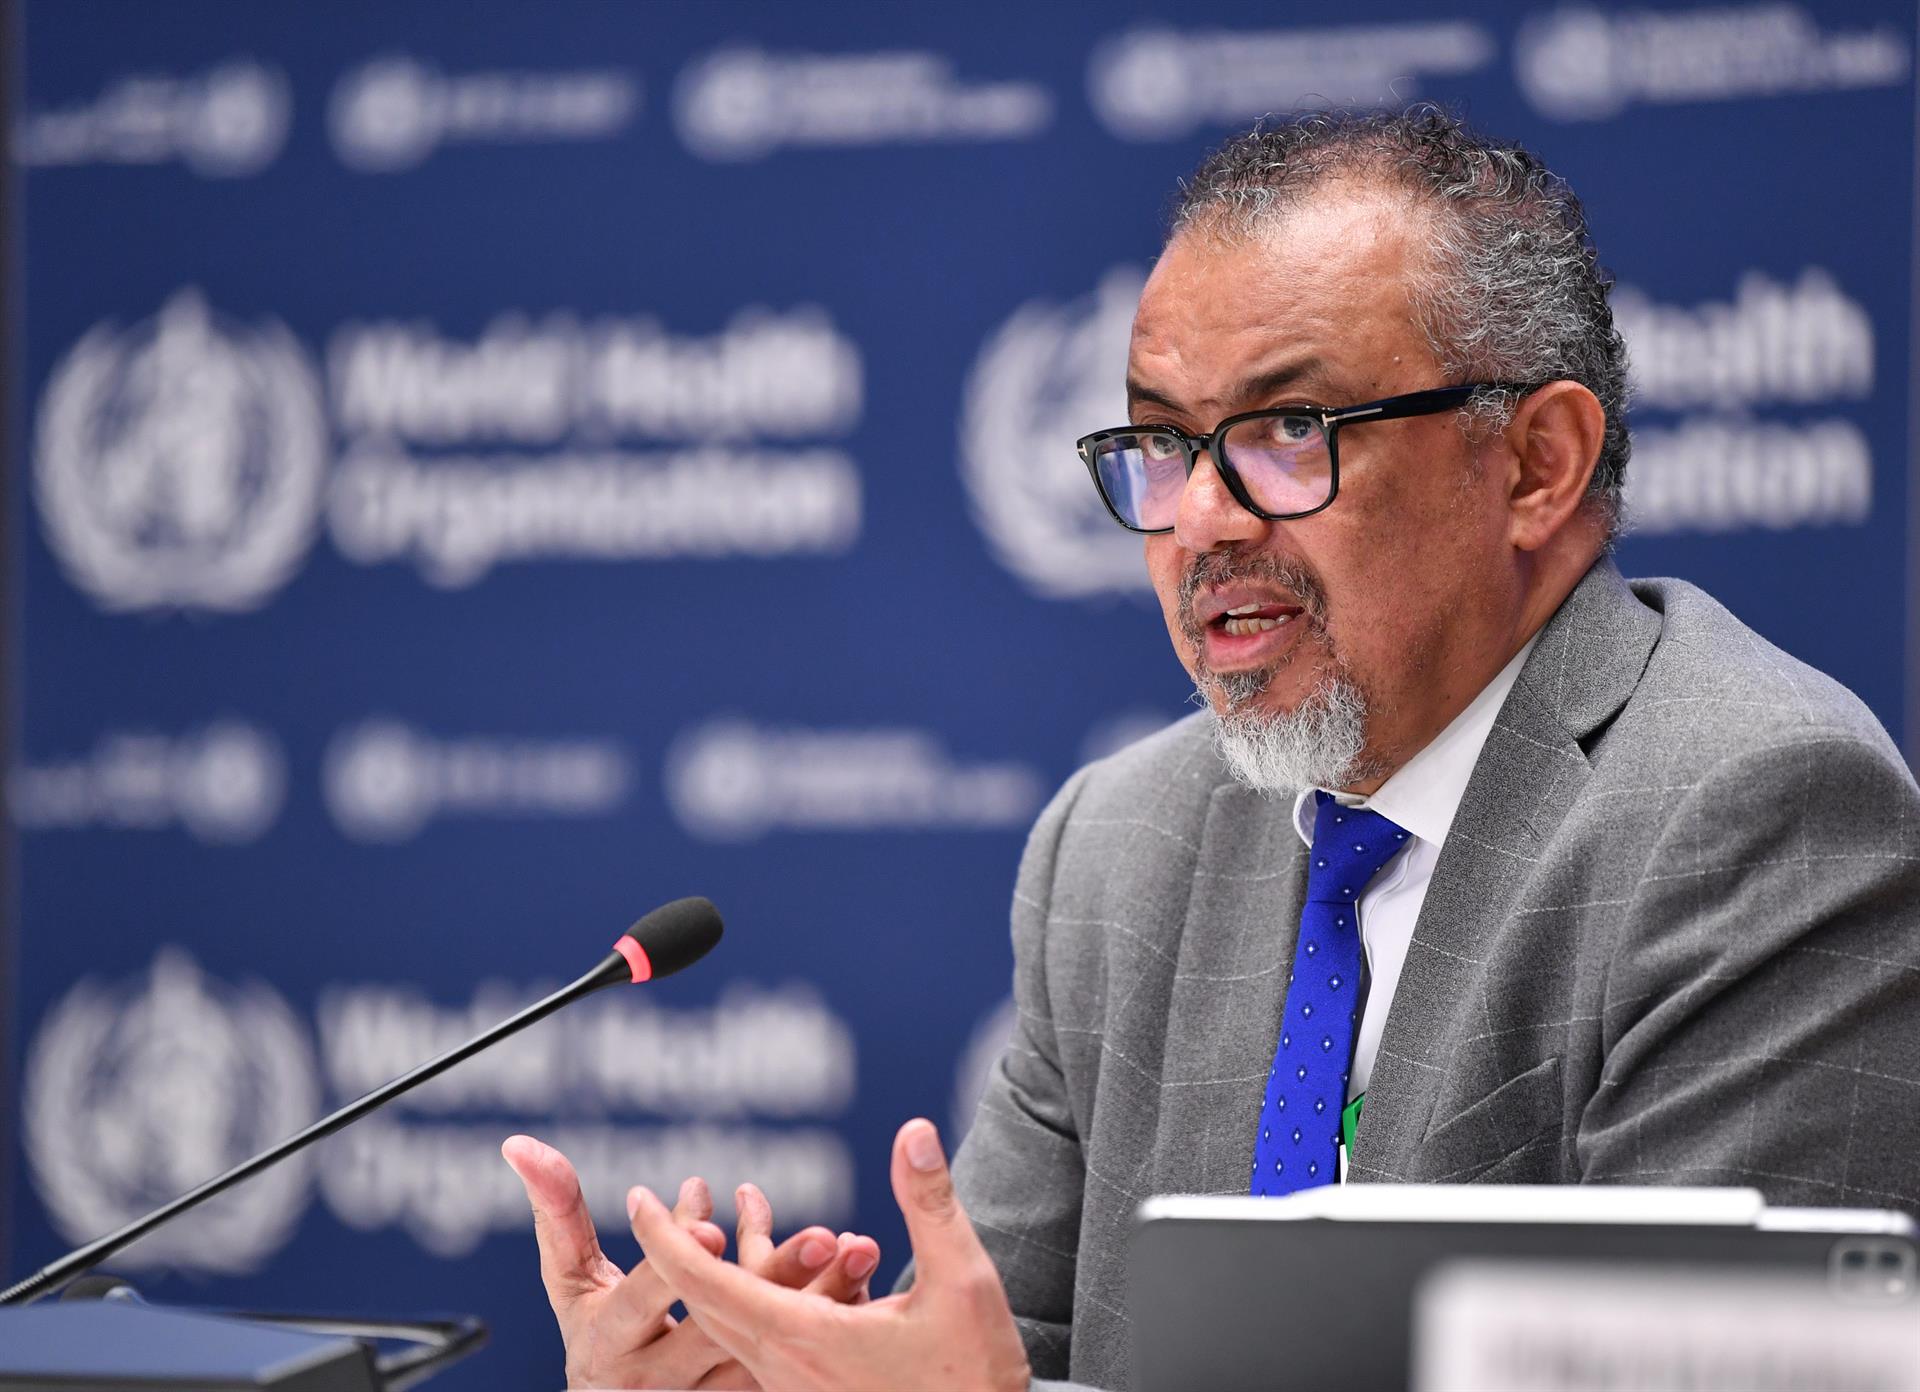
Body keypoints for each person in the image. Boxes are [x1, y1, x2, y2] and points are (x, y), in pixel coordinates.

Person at [505, 106, 1920, 1390]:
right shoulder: (1117, 850)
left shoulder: (1758, 815)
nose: (1201, 522)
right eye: (1164, 445)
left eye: (1290, 432)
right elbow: (1005, 1364)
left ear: (1536, 464)